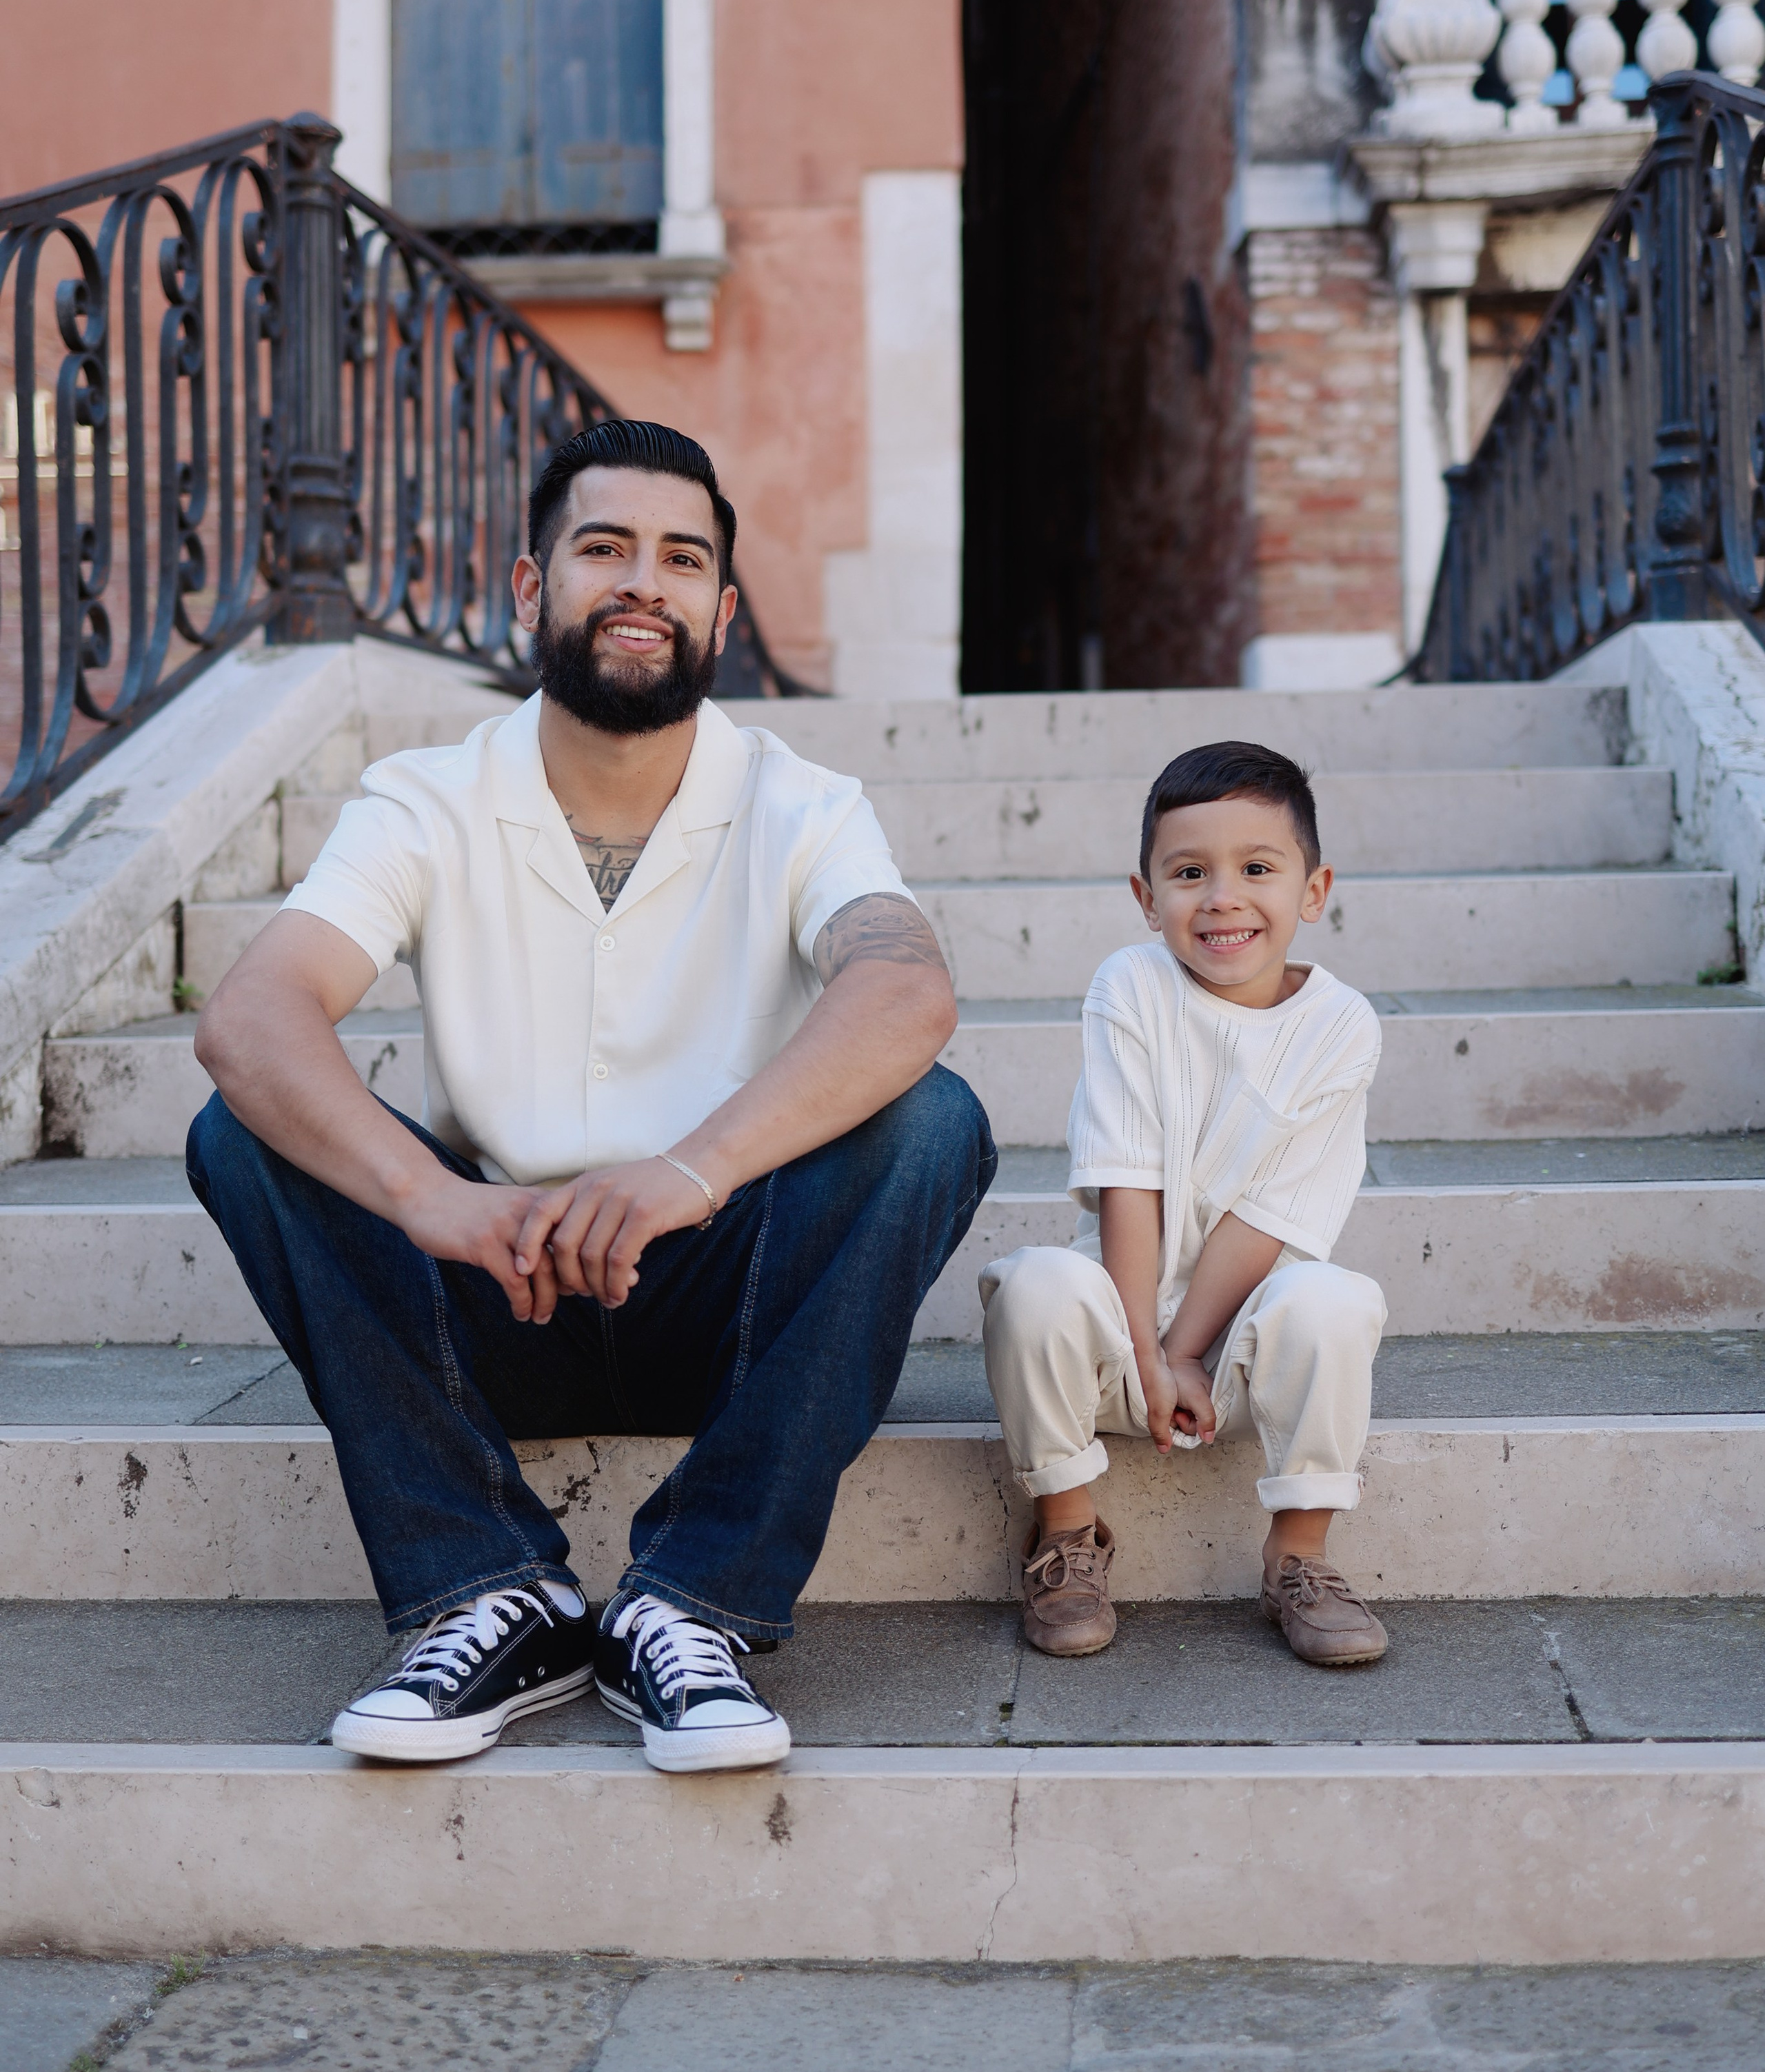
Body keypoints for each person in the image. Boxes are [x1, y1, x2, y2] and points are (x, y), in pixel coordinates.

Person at [188, 419, 994, 1773]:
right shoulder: (426, 797)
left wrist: (687, 1174)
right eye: (603, 548)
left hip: (721, 1286)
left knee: (933, 1121)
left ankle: (689, 1602)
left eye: (681, 558)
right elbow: (251, 1019)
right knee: (245, 1128)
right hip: (491, 1286)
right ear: (529, 588)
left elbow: (904, 992)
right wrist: (431, 1202)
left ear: (722, 613)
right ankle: (492, 1590)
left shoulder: (801, 803)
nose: (643, 581)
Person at [979, 741, 1388, 1665]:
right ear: (1147, 896)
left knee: (1336, 1300)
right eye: (1191, 872)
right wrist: (1148, 1356)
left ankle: (1301, 1559)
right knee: (1034, 1285)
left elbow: (1274, 1219)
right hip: (1114, 1338)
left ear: (1314, 891)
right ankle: (1068, 1536)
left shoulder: (1339, 1025)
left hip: (1243, 1353)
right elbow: (1131, 1181)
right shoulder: (1132, 985)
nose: (1224, 898)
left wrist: (1190, 1351)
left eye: (1258, 869)